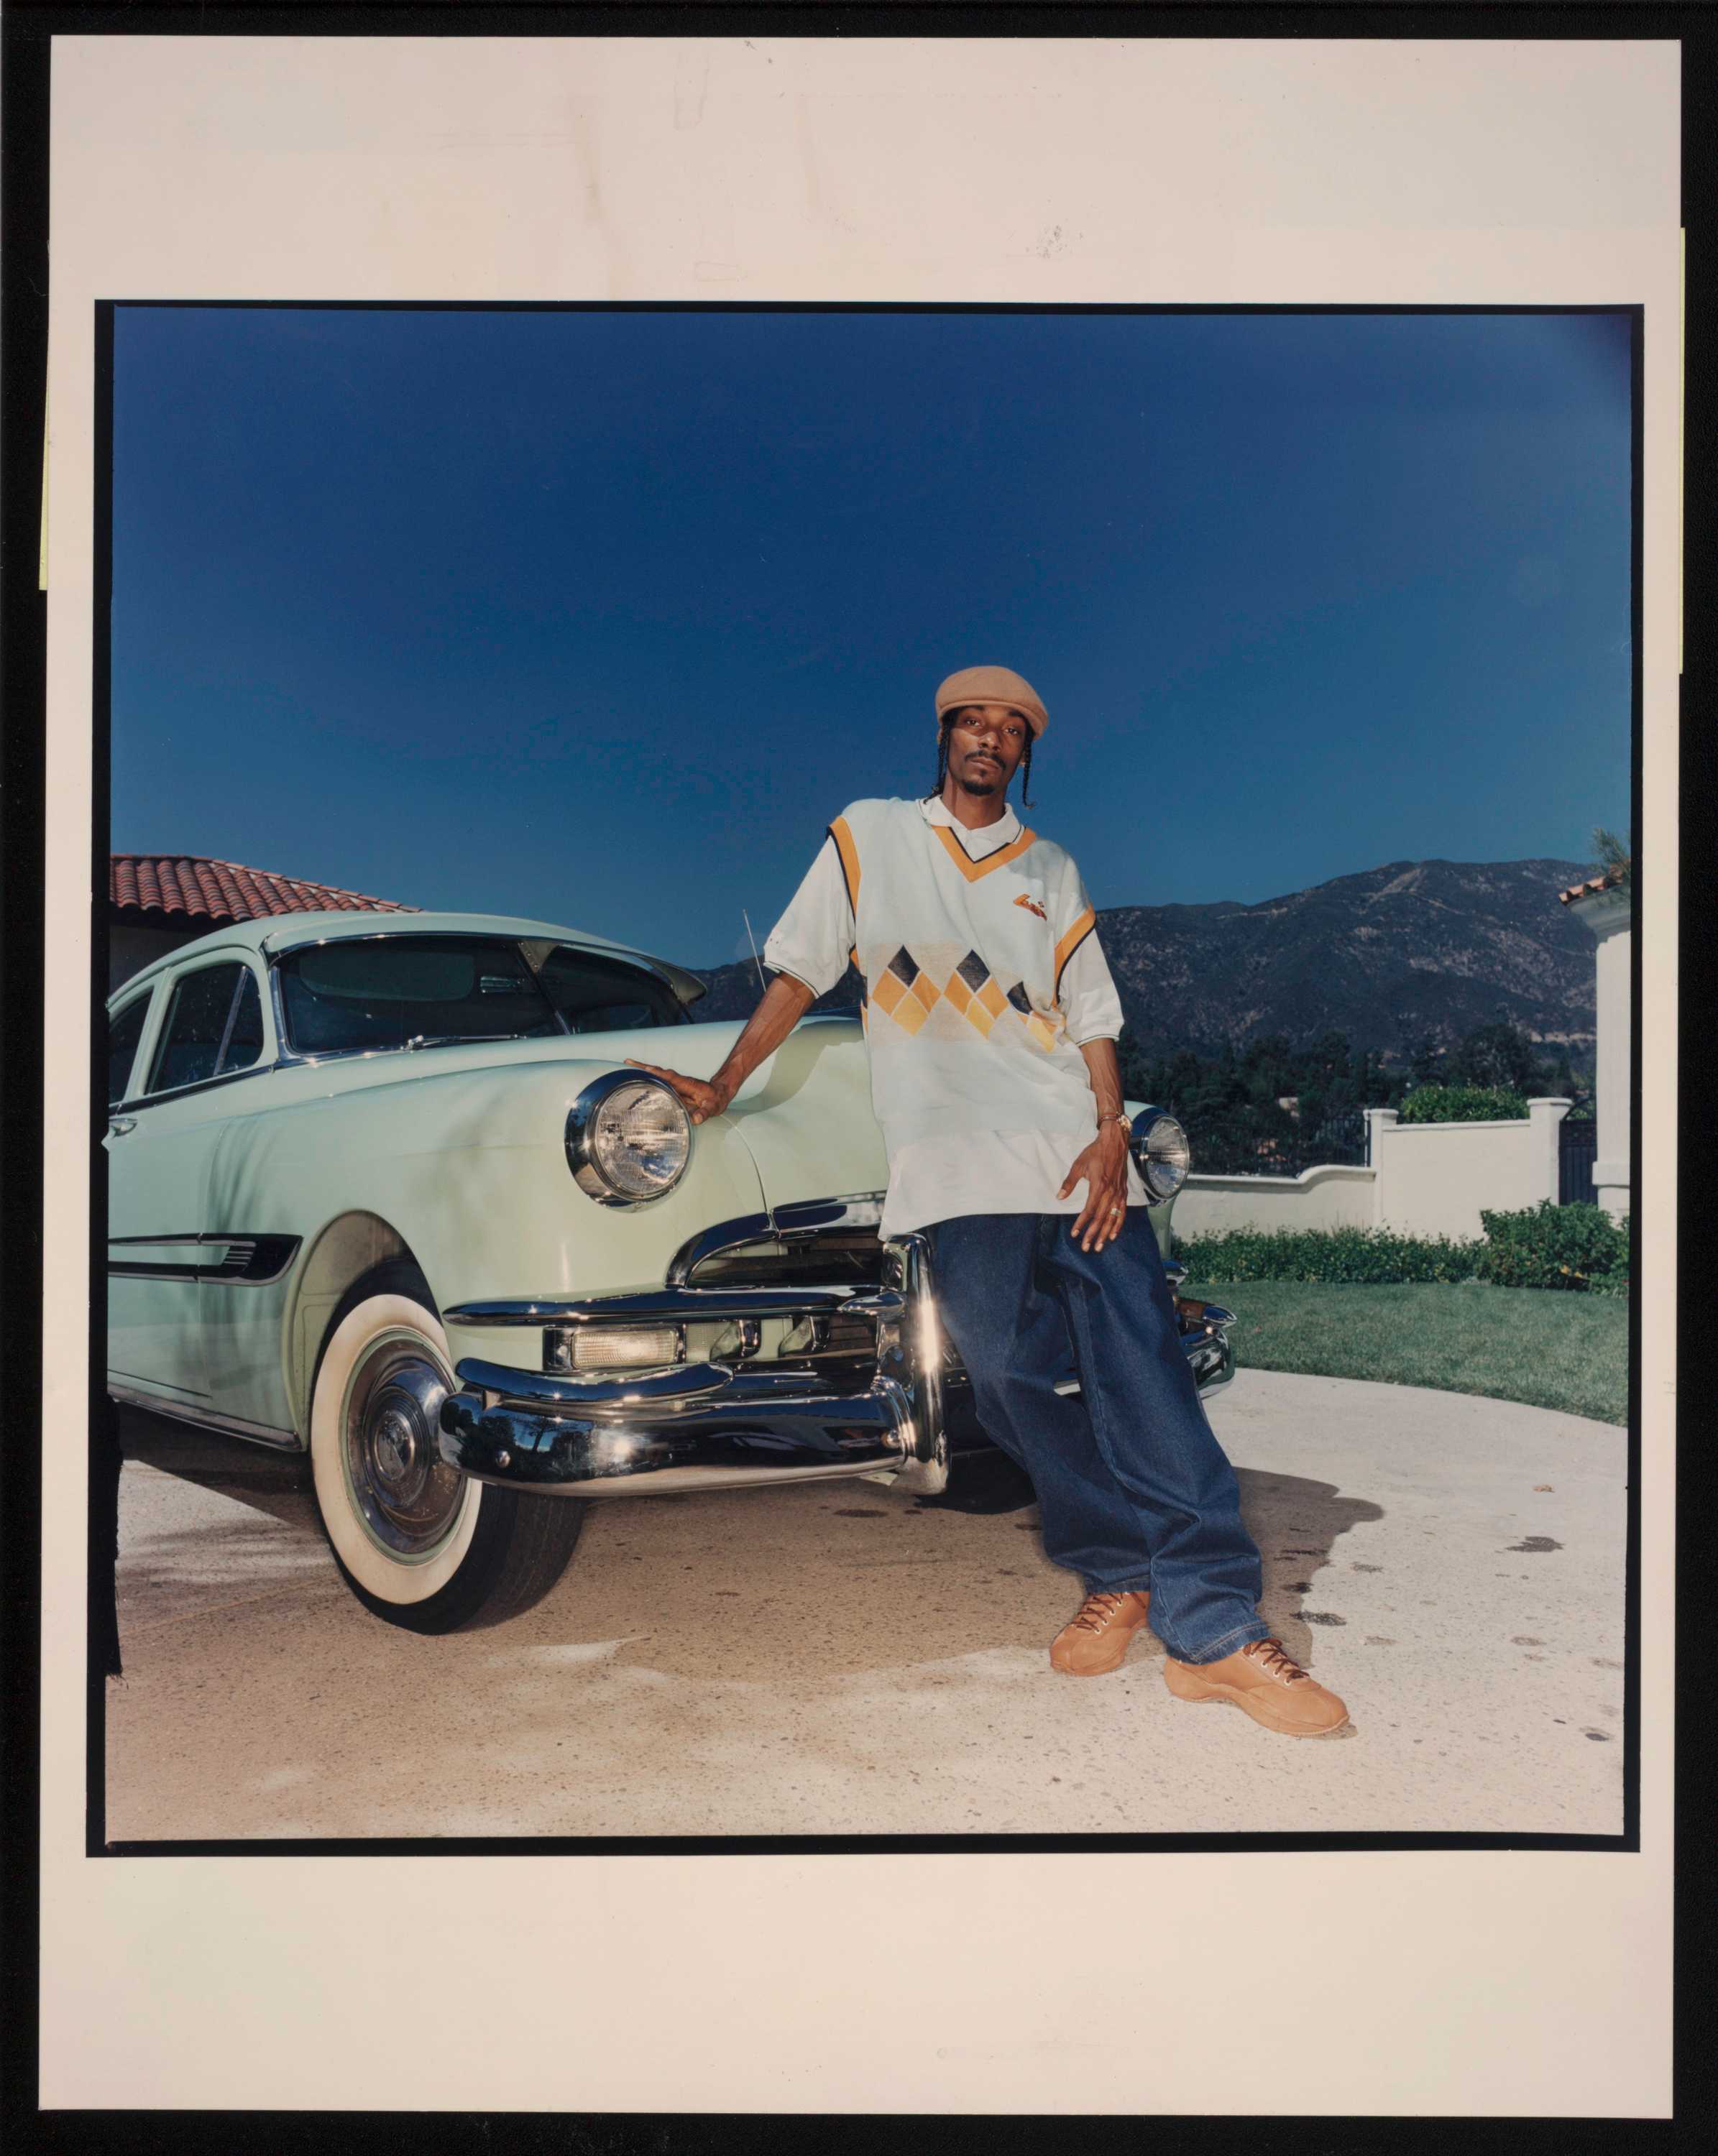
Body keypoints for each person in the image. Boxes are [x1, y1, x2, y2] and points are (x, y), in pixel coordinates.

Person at [629, 664, 1348, 1738]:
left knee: (1141, 1370)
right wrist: (724, 1086)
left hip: (1069, 1155)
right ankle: (1115, 1567)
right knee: (1005, 1382)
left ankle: (1215, 1627)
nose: (988, 739)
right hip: (952, 1166)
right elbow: (797, 970)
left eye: (1010, 730)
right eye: (972, 721)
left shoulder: (1047, 865)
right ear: (943, 734)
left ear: (1024, 754)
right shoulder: (869, 835)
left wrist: (1109, 1135)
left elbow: (1091, 1012)